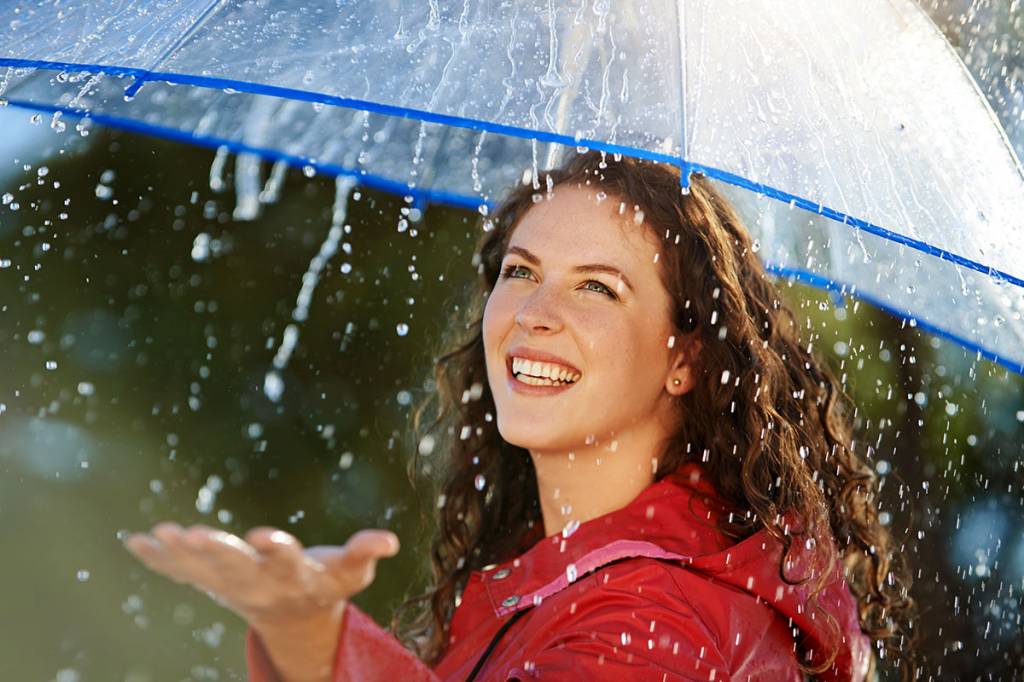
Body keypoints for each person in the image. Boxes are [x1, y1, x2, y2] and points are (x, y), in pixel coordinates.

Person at [123, 150, 916, 681]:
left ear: (686, 359)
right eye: (521, 271)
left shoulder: (658, 620)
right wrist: (310, 636)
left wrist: (320, 640)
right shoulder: (578, 581)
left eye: (596, 287)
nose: (534, 312)